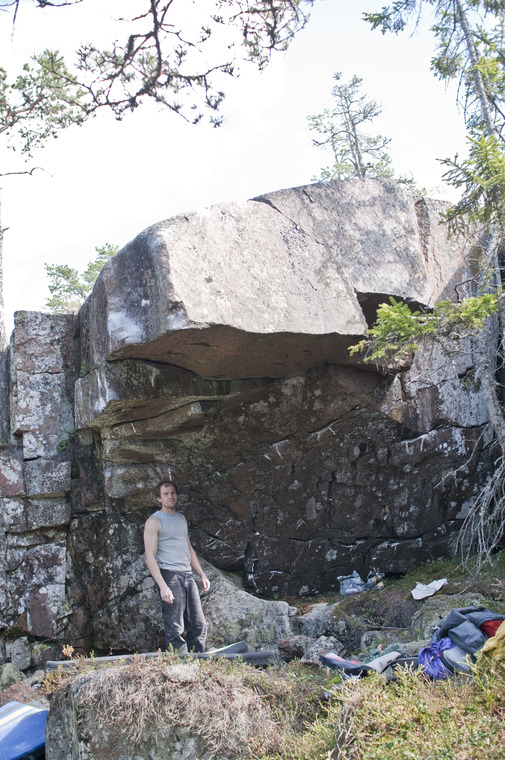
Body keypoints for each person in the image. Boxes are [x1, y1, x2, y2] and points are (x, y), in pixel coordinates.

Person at [144, 480, 209, 652]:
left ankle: (198, 663)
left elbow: (188, 549)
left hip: (187, 575)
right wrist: (163, 586)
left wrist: (201, 575)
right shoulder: (154, 521)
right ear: (159, 498)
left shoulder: (181, 519)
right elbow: (150, 557)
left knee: (199, 624)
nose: (170, 496)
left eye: (173, 493)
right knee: (175, 626)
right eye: (166, 494)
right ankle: (179, 665)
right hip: (169, 575)